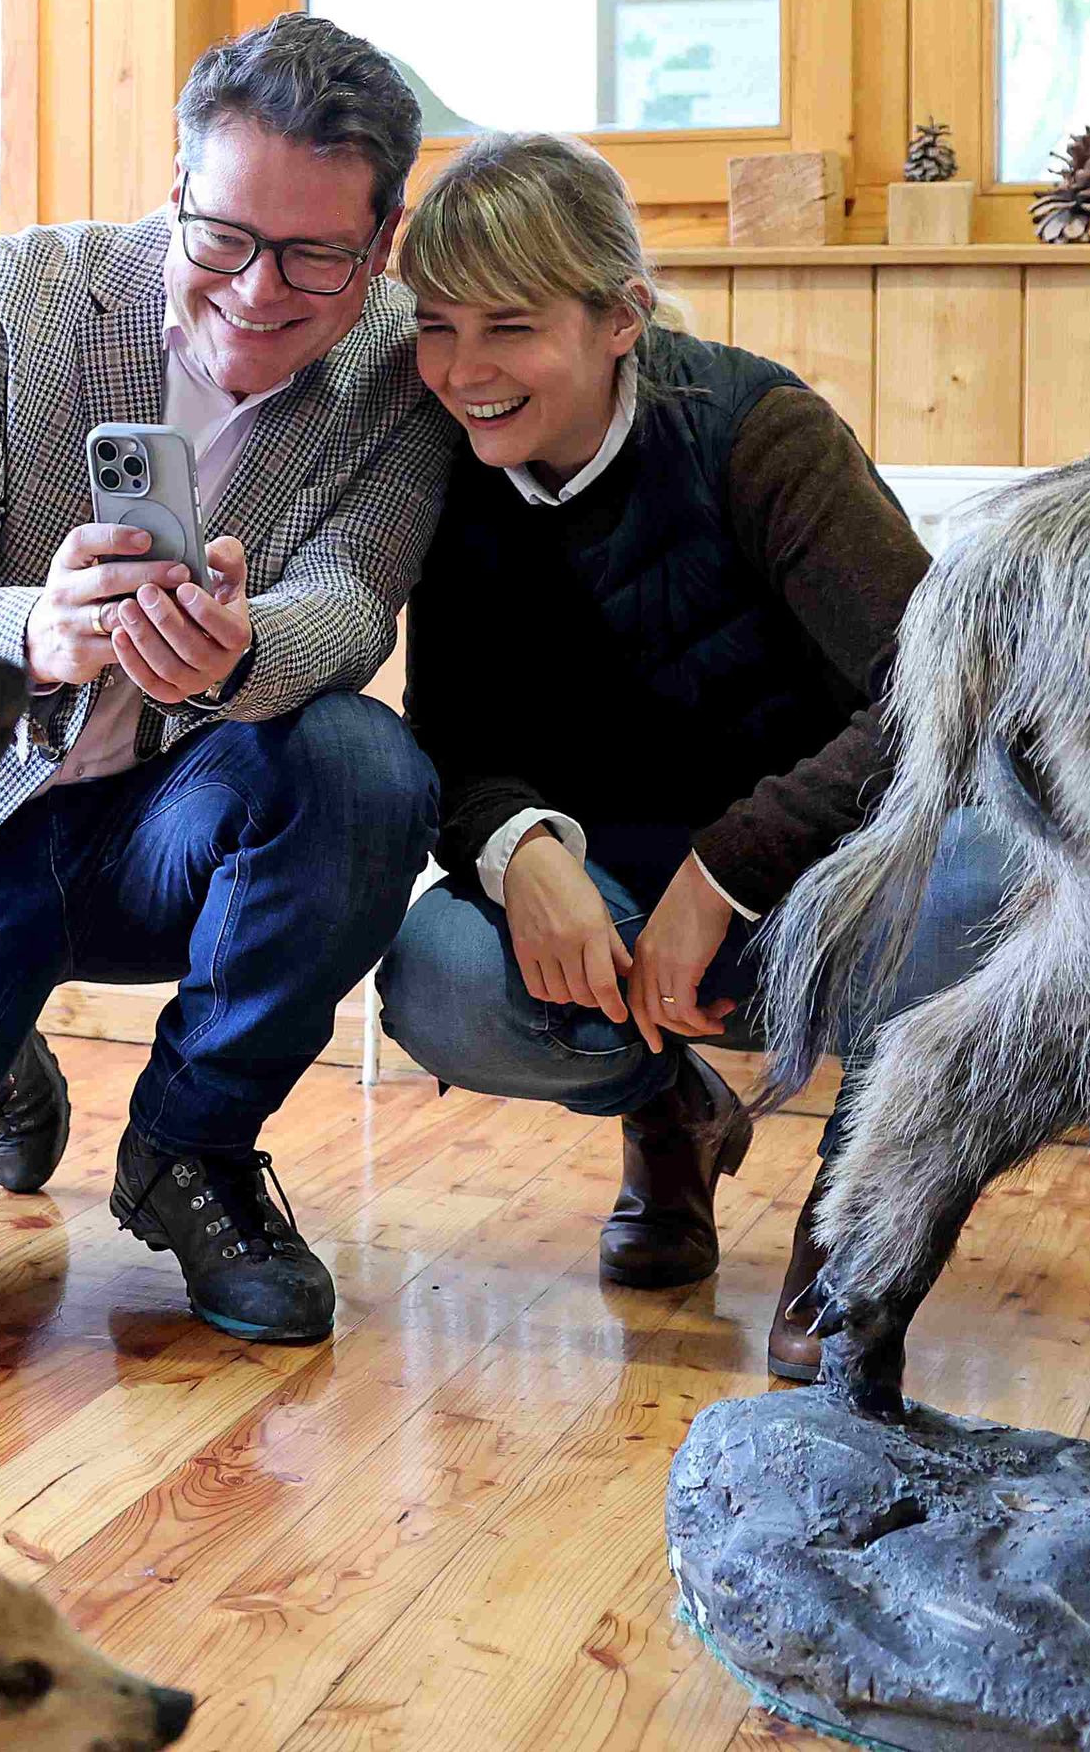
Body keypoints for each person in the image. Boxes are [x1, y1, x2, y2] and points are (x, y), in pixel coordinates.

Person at [0, 14, 459, 1347]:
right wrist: (37, 633)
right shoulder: (11, 296)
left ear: (384, 238)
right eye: (223, 234)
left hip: (170, 822)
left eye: (315, 256)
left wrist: (246, 652)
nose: (254, 289)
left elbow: (352, 601)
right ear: (177, 190)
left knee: (362, 763)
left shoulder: (406, 365)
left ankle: (191, 1148)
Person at [374, 130, 1015, 1379]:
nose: (461, 372)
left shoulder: (758, 431)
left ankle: (855, 1222)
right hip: (612, 875)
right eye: (435, 327)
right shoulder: (444, 460)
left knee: (987, 887)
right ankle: (666, 1116)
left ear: (619, 317)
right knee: (439, 974)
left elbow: (944, 697)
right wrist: (518, 849)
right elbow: (454, 731)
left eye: (507, 328)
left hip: (820, 868)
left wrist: (728, 870)